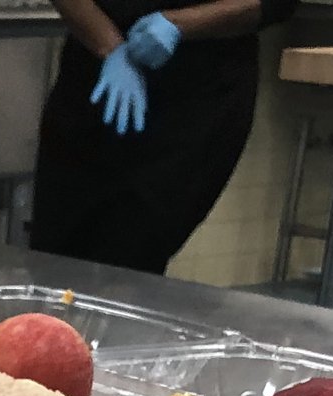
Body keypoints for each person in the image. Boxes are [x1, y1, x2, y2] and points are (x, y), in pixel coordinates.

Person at [31, 0, 301, 274]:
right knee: (54, 251)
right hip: (97, 79)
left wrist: (178, 24)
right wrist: (110, 47)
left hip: (196, 99)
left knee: (127, 258)